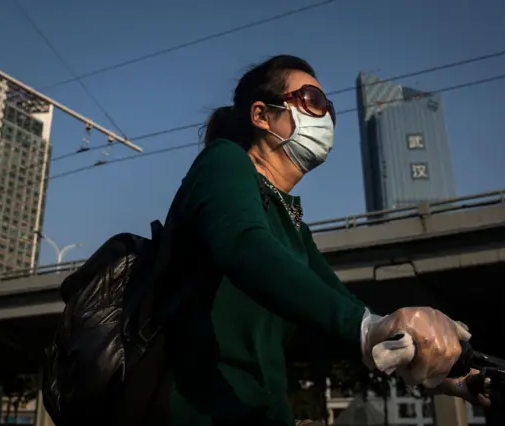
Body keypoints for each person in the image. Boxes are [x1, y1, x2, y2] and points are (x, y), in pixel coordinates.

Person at [158, 55, 478, 426]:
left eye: (330, 110)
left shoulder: (291, 220)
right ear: (261, 115)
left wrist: (448, 371)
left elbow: (343, 309)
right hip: (194, 412)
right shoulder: (225, 161)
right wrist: (366, 328)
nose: (325, 117)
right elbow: (243, 245)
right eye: (312, 101)